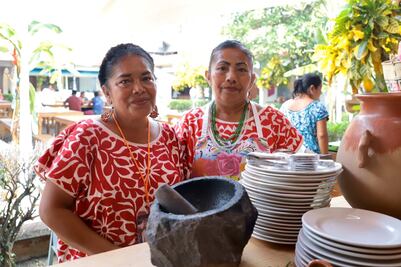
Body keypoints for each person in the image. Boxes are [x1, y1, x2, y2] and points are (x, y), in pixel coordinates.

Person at [35, 43, 184, 263]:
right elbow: (51, 210)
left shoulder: (170, 136)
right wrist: (120, 258)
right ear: (107, 92)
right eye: (125, 81)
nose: (139, 88)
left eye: (146, 78)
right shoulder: (88, 136)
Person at [174, 40, 303, 180]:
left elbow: (296, 176)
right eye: (222, 68)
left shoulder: (274, 121)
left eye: (241, 70)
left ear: (252, 79)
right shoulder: (189, 123)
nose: (231, 77)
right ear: (208, 76)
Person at [280, 73, 329, 154]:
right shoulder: (317, 107)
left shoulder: (284, 106)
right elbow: (322, 135)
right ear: (312, 88)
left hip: (289, 155)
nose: (321, 93)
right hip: (311, 158)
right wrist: (325, 157)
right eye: (320, 89)